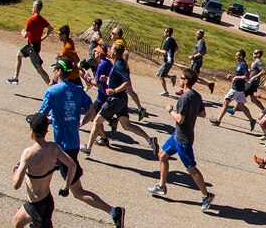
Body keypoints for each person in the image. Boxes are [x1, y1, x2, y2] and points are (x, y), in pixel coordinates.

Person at [37, 57, 125, 228]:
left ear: (59, 72)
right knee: (42, 181)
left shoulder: (52, 91)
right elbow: (92, 110)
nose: (54, 72)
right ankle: (38, 216)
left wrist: (49, 120)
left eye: (55, 69)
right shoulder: (77, 90)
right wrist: (80, 124)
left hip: (59, 148)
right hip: (73, 144)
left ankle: (113, 211)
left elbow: (40, 117)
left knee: (77, 192)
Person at [9, 113, 86, 228]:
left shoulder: (28, 154)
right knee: (17, 224)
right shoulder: (54, 148)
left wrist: (16, 169)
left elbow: (16, 184)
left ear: (31, 132)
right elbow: (72, 166)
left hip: (38, 209)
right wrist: (66, 186)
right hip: (44, 201)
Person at [147, 68, 214, 212]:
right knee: (162, 155)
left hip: (183, 139)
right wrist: (192, 112)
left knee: (191, 169)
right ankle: (162, 186)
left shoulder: (184, 97)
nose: (178, 79)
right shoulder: (196, 95)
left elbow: (180, 119)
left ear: (186, 81)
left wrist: (170, 109)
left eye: (181, 77)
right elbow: (202, 113)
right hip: (177, 135)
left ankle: (206, 195)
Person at [85, 43, 158, 158]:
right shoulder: (119, 63)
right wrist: (108, 79)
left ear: (114, 52)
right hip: (121, 99)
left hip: (115, 100)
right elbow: (119, 79)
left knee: (96, 122)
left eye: (111, 49)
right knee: (127, 125)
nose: (110, 50)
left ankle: (88, 148)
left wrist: (114, 90)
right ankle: (150, 140)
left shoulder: (119, 64)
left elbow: (127, 82)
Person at [8, 0, 52, 85]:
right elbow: (51, 28)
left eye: (32, 7)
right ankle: (15, 77)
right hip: (34, 45)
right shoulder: (42, 19)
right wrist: (43, 37)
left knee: (39, 69)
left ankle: (51, 85)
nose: (32, 9)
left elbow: (25, 35)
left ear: (35, 8)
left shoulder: (31, 20)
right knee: (19, 55)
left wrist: (22, 31)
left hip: (33, 48)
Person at [210, 49, 252, 127]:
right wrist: (233, 76)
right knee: (241, 105)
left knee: (226, 102)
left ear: (241, 56)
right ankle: (251, 120)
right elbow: (240, 76)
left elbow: (246, 76)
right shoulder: (239, 64)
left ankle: (218, 120)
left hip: (236, 89)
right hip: (239, 89)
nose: (235, 57)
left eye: (237, 55)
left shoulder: (243, 64)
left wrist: (236, 77)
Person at [188, 29, 216, 93]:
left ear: (201, 35)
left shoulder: (201, 42)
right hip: (196, 62)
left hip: (196, 62)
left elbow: (202, 53)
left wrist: (193, 56)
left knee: (192, 77)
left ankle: (187, 90)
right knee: (193, 78)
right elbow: (205, 51)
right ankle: (209, 85)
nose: (196, 35)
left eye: (198, 34)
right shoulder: (201, 41)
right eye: (196, 33)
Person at [153, 27, 178, 96]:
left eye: (165, 31)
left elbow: (164, 51)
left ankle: (165, 91)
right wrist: (171, 53)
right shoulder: (172, 40)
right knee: (158, 74)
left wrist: (158, 49)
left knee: (160, 75)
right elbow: (176, 48)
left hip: (168, 61)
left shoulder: (168, 41)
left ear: (167, 33)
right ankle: (171, 77)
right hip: (169, 60)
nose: (163, 32)